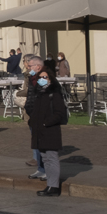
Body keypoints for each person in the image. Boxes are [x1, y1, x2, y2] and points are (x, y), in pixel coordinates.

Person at [26, 68, 68, 197]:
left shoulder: (54, 93)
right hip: (40, 131)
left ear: (50, 79)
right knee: (45, 158)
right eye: (40, 78)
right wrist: (32, 122)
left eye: (45, 77)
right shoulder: (40, 93)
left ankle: (54, 186)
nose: (42, 80)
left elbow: (59, 113)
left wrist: (46, 123)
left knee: (51, 158)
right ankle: (50, 184)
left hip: (50, 130)